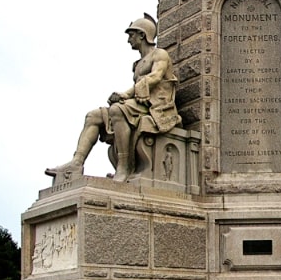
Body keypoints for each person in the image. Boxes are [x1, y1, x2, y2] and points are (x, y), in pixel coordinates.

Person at [45, 14, 182, 183]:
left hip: (158, 107)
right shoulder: (138, 64)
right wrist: (126, 96)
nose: (129, 40)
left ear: (142, 35)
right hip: (141, 104)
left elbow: (155, 77)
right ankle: (76, 163)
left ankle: (124, 166)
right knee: (93, 116)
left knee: (117, 109)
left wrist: (125, 94)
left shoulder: (159, 54)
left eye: (131, 35)